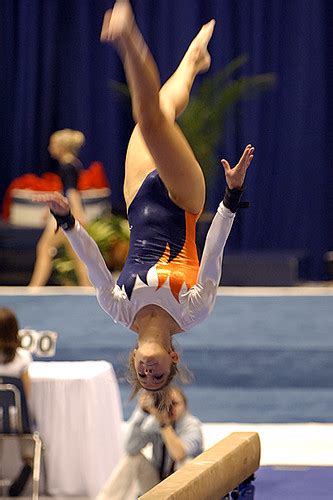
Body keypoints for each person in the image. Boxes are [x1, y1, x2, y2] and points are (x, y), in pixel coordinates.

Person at [34, 1, 254, 406]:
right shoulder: (193, 312)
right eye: (158, 375)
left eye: (142, 374)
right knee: (152, 120)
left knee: (159, 112)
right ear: (172, 358)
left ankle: (192, 62)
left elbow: (92, 262)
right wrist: (232, 195)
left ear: (134, 358)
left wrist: (67, 222)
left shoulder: (118, 310)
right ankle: (127, 37)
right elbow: (214, 252)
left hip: (138, 199)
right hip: (183, 200)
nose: (148, 372)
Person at [96, 385, 203, 500]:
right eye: (166, 404)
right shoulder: (154, 423)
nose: (170, 409)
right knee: (133, 458)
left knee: (185, 462)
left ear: (185, 406)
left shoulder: (192, 425)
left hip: (186, 491)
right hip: (157, 482)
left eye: (174, 404)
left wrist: (164, 425)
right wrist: (142, 411)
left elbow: (179, 454)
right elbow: (130, 448)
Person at [28, 128, 91, 287]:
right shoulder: (73, 163)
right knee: (76, 253)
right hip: (69, 210)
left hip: (66, 213)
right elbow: (67, 190)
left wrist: (77, 214)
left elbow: (72, 192)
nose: (50, 148)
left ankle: (34, 288)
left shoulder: (67, 166)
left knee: (44, 248)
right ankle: (87, 288)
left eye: (53, 144)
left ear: (62, 147)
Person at [0, 307, 34, 496]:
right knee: (26, 421)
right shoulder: (22, 358)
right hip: (18, 420)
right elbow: (26, 393)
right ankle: (28, 461)